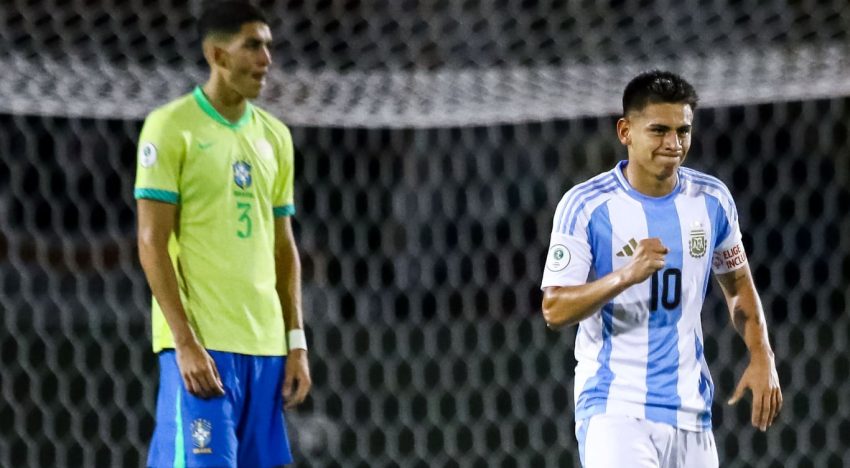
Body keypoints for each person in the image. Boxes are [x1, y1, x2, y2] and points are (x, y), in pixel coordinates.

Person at [540, 70, 782, 467]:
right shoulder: (585, 206)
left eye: (682, 131)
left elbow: (738, 286)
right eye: (658, 130)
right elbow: (555, 309)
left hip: (691, 410)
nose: (673, 144)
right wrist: (624, 275)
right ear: (625, 131)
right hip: (615, 408)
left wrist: (762, 355)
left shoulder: (712, 200)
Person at [134, 2, 311, 466]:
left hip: (266, 351)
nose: (265, 59)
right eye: (252, 45)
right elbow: (151, 243)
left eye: (268, 46)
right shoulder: (171, 128)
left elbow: (283, 247)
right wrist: (185, 344)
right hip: (203, 351)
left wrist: (295, 343)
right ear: (216, 55)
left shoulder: (275, 137)